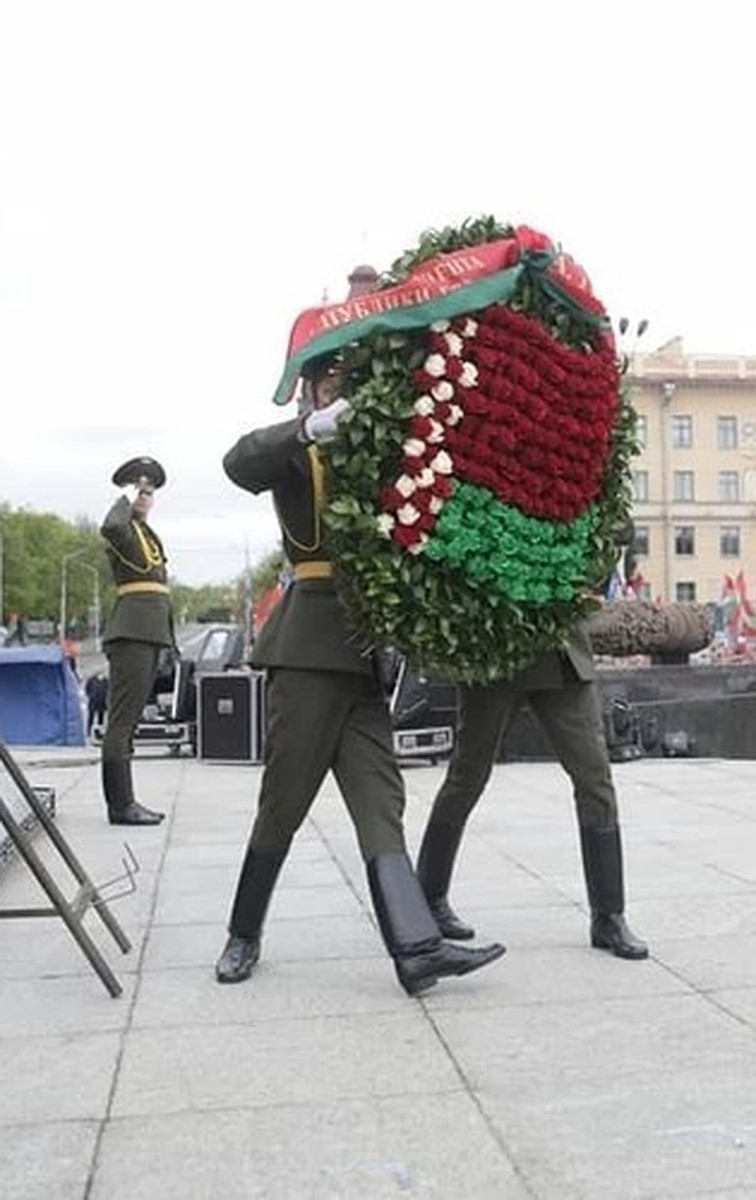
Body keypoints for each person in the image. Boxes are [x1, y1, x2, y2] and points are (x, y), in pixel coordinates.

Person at [214, 351, 505, 996]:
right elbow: (237, 463)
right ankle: (243, 932)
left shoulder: (377, 461)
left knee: (382, 805)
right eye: (333, 384)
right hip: (309, 649)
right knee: (284, 802)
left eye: (353, 383)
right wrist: (308, 430)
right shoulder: (298, 452)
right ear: (313, 392)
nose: (345, 393)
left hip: (364, 654)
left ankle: (417, 951)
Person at [415, 622, 649, 961]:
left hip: (560, 654)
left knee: (595, 780)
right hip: (494, 653)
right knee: (466, 778)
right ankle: (429, 898)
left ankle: (609, 917)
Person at [99, 458, 174, 826]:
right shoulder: (122, 528)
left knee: (129, 724)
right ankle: (120, 805)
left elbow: (160, 589)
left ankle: (126, 801)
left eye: (149, 492)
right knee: (122, 722)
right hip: (131, 633)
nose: (144, 497)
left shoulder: (145, 533)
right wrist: (125, 497)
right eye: (138, 490)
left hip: (148, 633)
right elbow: (110, 524)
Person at [84, 670, 108, 740]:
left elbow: (108, 690)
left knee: (101, 719)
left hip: (102, 703)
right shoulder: (91, 680)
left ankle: (98, 733)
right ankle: (88, 731)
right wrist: (91, 696)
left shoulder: (106, 681)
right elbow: (87, 689)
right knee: (91, 717)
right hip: (93, 702)